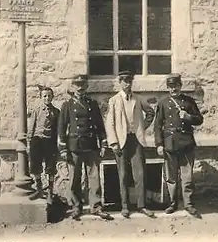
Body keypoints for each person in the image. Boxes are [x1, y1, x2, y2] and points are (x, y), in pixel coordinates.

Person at [58, 74, 113, 221]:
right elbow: (61, 128)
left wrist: (103, 143)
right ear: (73, 87)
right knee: (75, 179)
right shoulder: (67, 105)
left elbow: (100, 126)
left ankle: (96, 207)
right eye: (77, 85)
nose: (80, 87)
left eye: (83, 85)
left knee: (94, 178)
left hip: (91, 145)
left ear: (87, 86)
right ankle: (76, 207)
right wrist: (63, 148)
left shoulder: (92, 104)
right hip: (74, 146)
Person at [105, 70, 156, 219]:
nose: (127, 84)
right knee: (123, 174)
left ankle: (142, 205)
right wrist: (113, 142)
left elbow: (150, 113)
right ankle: (125, 207)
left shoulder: (138, 99)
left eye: (130, 81)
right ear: (120, 83)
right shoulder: (114, 100)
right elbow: (110, 123)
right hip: (121, 141)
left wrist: (142, 127)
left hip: (136, 140)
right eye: (125, 81)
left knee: (139, 173)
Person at [154, 74, 204, 218]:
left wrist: (188, 117)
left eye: (175, 86)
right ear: (167, 88)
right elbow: (157, 125)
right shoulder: (163, 103)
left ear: (180, 86)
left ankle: (188, 204)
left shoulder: (188, 102)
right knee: (171, 177)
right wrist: (159, 144)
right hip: (169, 143)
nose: (173, 89)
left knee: (187, 176)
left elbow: (199, 119)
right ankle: (172, 203)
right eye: (170, 86)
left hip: (186, 142)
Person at [27, 86, 59, 204]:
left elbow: (57, 129)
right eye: (44, 96)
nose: (47, 98)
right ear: (41, 97)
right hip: (37, 140)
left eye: (49, 96)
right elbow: (31, 127)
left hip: (50, 141)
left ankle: (50, 192)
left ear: (53, 97)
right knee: (36, 165)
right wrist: (29, 141)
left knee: (50, 167)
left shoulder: (56, 112)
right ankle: (39, 189)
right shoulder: (36, 110)